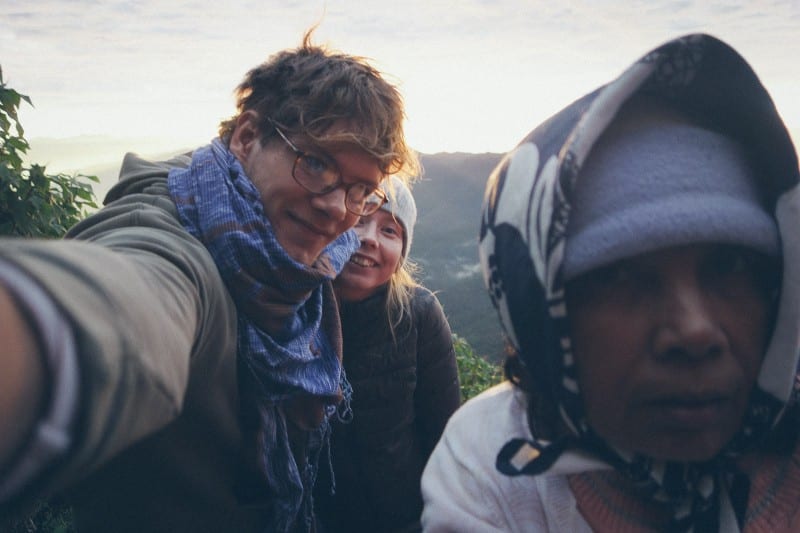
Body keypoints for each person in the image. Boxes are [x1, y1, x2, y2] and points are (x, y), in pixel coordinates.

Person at [0, 29, 418, 533]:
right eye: (315, 162)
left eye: (360, 191)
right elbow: (127, 304)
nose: (336, 208)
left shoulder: (305, 257)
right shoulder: (175, 241)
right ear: (246, 137)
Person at [421, 33, 800, 532]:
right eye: (620, 277)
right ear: (539, 314)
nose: (694, 332)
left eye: (731, 266)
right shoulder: (490, 466)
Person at [314, 176, 461, 532]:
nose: (369, 239)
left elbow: (445, 438)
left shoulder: (419, 315)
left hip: (405, 520)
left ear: (401, 255)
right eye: (360, 219)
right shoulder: (295, 309)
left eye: (390, 231)